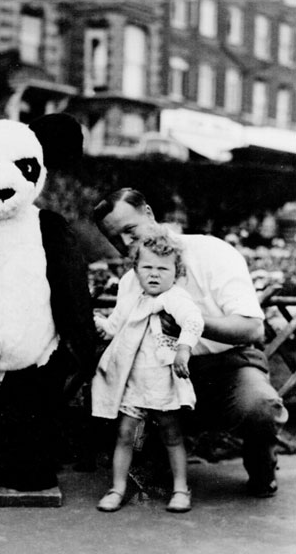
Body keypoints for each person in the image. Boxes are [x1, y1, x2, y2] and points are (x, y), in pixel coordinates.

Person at [93, 188, 288, 498]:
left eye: (130, 230)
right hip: (165, 374)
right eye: (116, 239)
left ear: (148, 214)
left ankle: (261, 466)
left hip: (229, 368)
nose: (126, 244)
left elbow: (252, 329)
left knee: (260, 406)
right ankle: (152, 467)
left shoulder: (210, 252)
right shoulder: (132, 281)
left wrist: (193, 322)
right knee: (138, 445)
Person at [92, 227, 204, 512]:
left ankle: (181, 488)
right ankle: (117, 487)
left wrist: (183, 348)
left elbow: (193, 321)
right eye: (147, 267)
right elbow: (114, 326)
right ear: (136, 269)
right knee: (125, 433)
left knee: (171, 433)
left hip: (163, 380)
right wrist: (98, 324)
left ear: (176, 272)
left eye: (163, 269)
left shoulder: (174, 298)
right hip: (134, 381)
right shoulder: (132, 297)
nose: (154, 274)